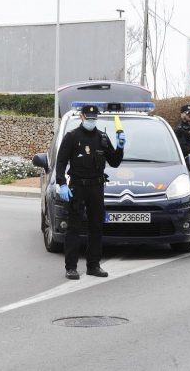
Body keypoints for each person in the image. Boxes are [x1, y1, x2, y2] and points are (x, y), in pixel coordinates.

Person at [55, 105, 125, 280]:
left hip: (96, 187)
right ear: (82, 117)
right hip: (77, 187)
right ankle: (71, 267)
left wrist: (120, 146)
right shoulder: (72, 137)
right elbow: (61, 163)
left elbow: (114, 162)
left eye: (95, 118)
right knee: (74, 227)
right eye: (89, 117)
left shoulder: (102, 137)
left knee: (96, 227)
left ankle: (93, 265)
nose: (92, 120)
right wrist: (62, 184)